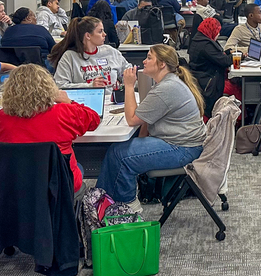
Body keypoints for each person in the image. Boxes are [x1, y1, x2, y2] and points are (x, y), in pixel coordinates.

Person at [95, 45, 207, 213]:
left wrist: (129, 86)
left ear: (161, 64)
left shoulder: (166, 88)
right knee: (119, 150)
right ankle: (105, 204)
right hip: (183, 143)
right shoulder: (169, 83)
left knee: (119, 155)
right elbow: (145, 121)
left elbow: (132, 119)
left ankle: (125, 207)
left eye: (149, 58)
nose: (144, 61)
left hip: (183, 149)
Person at [0, 64, 101, 194]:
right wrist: (69, 101)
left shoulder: (1, 118)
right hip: (59, 184)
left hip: (14, 185)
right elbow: (94, 120)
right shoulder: (63, 112)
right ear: (48, 87)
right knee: (78, 168)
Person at [51, 17, 130, 88]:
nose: (104, 34)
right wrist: (89, 86)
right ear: (88, 36)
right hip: (84, 101)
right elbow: (60, 86)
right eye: (100, 31)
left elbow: (128, 73)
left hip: (114, 101)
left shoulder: (111, 52)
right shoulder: (70, 57)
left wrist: (123, 84)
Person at [188, 16, 235, 118]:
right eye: (217, 31)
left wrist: (227, 52)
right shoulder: (206, 45)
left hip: (201, 79)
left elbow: (215, 56)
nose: (218, 34)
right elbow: (224, 62)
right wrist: (238, 56)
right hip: (210, 84)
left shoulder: (198, 39)